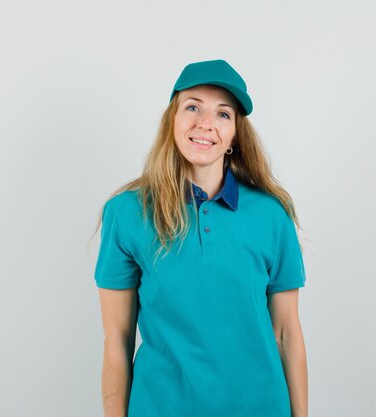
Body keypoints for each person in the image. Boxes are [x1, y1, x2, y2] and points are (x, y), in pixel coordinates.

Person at [92, 59, 308, 417]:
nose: (205, 123)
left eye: (223, 114)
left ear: (235, 135)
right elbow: (116, 341)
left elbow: (287, 333)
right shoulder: (127, 213)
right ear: (172, 121)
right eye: (192, 107)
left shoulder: (272, 214)